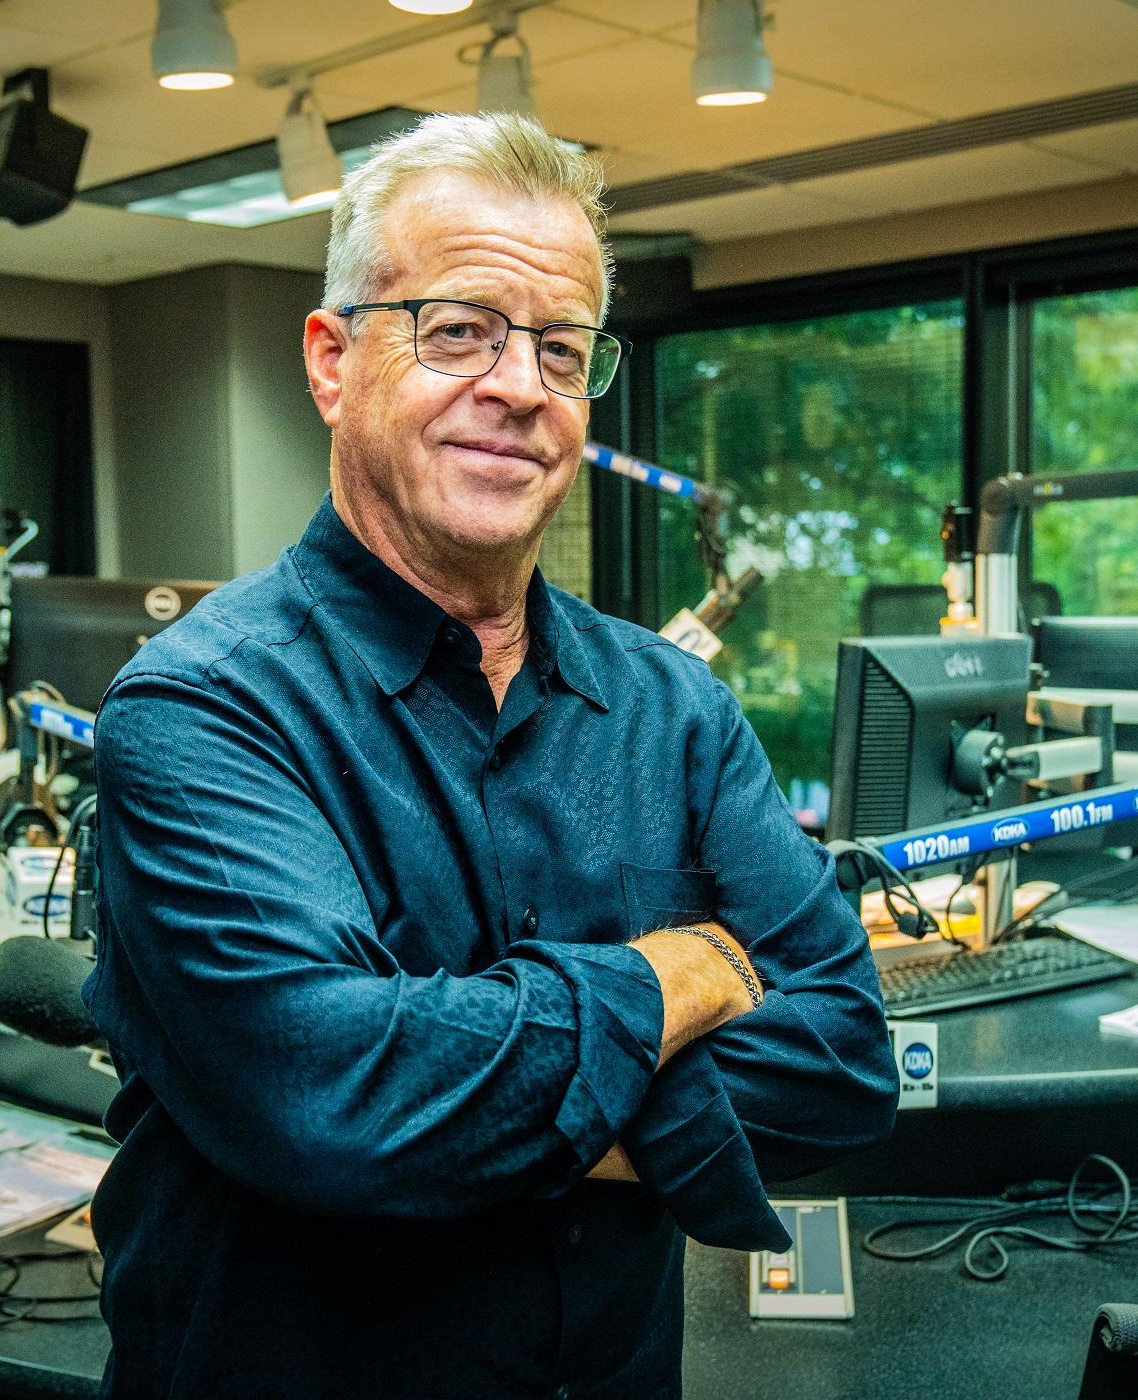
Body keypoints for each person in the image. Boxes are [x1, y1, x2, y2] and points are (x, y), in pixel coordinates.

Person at [88, 112, 898, 1400]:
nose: (519, 384)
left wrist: (479, 1099)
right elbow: (336, 1103)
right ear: (332, 360)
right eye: (459, 328)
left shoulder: (673, 709)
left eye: (560, 350)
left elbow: (847, 1061)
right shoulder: (199, 709)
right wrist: (677, 980)